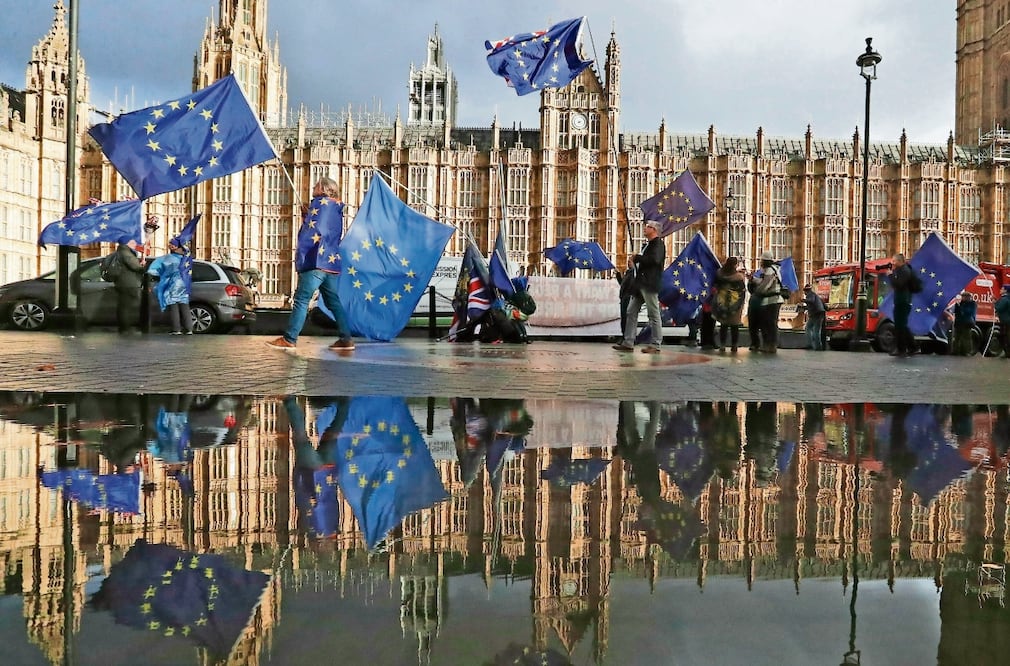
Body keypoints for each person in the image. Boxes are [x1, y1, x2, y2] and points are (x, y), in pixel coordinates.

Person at [268, 177, 355, 351]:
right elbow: (323, 228)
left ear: (323, 189)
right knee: (334, 302)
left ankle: (289, 338)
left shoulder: (319, 203)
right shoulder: (336, 207)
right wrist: (307, 216)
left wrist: (307, 220)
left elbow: (312, 233)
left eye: (316, 186)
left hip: (316, 261)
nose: (313, 188)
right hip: (330, 263)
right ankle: (346, 339)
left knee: (301, 300)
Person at [614, 220, 665, 354]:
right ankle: (628, 342)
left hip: (649, 284)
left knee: (653, 314)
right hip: (640, 284)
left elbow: (654, 260)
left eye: (647, 227)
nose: (644, 228)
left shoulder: (658, 244)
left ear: (654, 230)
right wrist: (634, 263)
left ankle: (656, 344)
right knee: (631, 312)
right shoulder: (648, 245)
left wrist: (638, 257)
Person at [146, 240, 193, 335]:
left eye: (171, 244)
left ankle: (176, 329)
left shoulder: (168, 258)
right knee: (184, 305)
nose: (170, 246)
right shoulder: (186, 258)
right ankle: (189, 329)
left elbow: (154, 270)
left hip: (174, 284)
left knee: (173, 306)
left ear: (176, 247)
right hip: (185, 283)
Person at [113, 235, 148, 336]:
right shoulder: (126, 253)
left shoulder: (120, 252)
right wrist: (142, 265)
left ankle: (124, 328)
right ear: (127, 243)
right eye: (132, 242)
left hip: (122, 282)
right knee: (127, 308)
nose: (135, 244)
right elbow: (135, 266)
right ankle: (125, 329)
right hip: (129, 284)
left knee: (123, 307)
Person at [751, 251, 784, 353]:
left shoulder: (769, 270)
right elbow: (765, 282)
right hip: (771, 300)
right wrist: (754, 279)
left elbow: (764, 286)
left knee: (769, 324)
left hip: (771, 300)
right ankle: (768, 345)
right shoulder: (774, 269)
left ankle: (770, 345)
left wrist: (756, 291)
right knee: (768, 324)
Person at [712, 256, 746, 353]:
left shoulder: (719, 273)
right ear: (735, 265)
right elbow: (742, 290)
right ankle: (734, 345)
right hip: (734, 301)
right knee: (734, 326)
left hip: (722, 301)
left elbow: (716, 284)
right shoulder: (738, 277)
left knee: (724, 325)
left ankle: (722, 345)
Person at [888, 253, 915, 357]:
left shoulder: (905, 271)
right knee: (901, 325)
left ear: (900, 261)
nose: (892, 263)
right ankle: (913, 347)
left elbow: (899, 284)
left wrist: (890, 275)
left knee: (900, 326)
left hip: (903, 301)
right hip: (901, 301)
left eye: (894, 261)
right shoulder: (901, 270)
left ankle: (902, 349)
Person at [800, 284, 826, 351]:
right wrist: (803, 307)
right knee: (813, 329)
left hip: (816, 314)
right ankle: (816, 346)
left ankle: (812, 345)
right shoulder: (815, 295)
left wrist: (803, 300)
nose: (804, 294)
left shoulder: (810, 295)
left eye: (804, 292)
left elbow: (811, 301)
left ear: (806, 291)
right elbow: (812, 305)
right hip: (819, 313)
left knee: (813, 330)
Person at [951, 291, 977, 356]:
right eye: (962, 297)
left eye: (964, 297)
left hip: (967, 322)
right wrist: (957, 305)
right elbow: (956, 312)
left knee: (967, 338)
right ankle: (955, 351)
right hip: (958, 322)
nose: (963, 298)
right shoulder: (960, 303)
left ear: (968, 297)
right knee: (957, 337)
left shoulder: (972, 304)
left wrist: (961, 307)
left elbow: (969, 312)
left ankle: (967, 351)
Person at [995, 284, 1010, 358]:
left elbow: (999, 308)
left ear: (1005, 290)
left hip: (1005, 321)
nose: (1000, 290)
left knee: (1003, 337)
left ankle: (1007, 352)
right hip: (1007, 321)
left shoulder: (1004, 299)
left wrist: (994, 302)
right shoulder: (1007, 298)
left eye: (1002, 288)